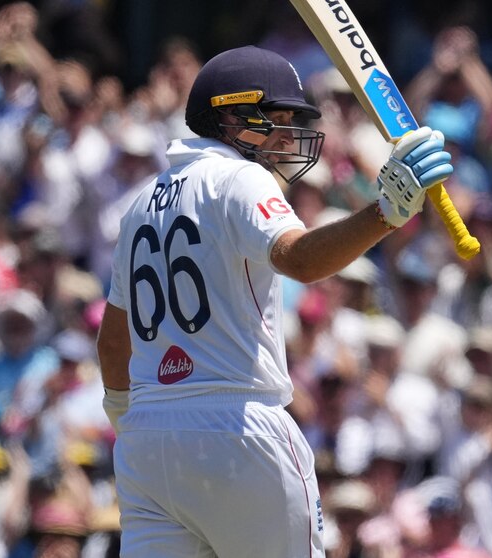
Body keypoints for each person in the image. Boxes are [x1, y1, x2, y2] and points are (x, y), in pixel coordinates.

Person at [95, 45, 454, 557]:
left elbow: (113, 343)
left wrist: (133, 424)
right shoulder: (241, 177)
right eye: (276, 119)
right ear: (229, 116)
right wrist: (387, 211)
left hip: (147, 437)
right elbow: (300, 260)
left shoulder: (139, 205)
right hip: (238, 426)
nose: (288, 135)